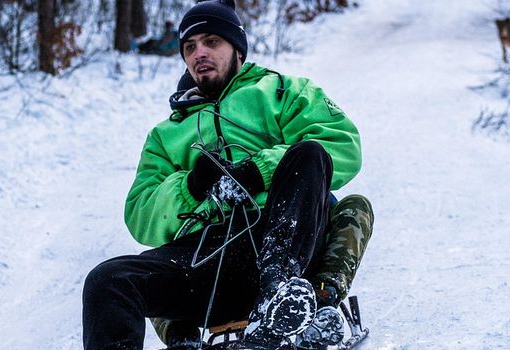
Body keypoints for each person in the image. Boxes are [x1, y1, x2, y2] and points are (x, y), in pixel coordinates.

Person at [82, 1, 370, 349]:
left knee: (309, 153)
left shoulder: (281, 91)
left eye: (211, 42)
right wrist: (191, 186)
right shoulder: (166, 134)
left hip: (284, 242)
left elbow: (341, 144)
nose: (199, 53)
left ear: (237, 49)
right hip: (210, 257)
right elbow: (140, 213)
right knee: (107, 281)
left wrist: (257, 171)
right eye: (190, 47)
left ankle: (279, 295)